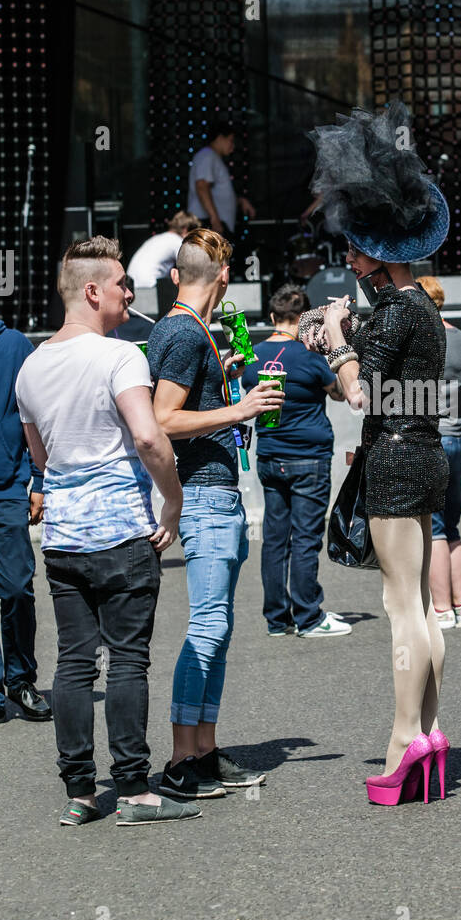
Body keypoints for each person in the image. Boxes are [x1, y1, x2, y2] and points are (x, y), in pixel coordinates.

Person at [14, 237, 198, 827]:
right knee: (127, 661)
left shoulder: (31, 365)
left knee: (72, 664)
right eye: (121, 283)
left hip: (64, 538)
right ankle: (135, 789)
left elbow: (41, 457)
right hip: (122, 531)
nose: (130, 291)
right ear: (92, 291)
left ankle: (80, 792)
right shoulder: (122, 356)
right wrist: (172, 502)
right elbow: (148, 438)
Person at [303, 101, 451, 806]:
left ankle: (403, 742)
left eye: (359, 249)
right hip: (426, 455)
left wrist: (338, 346)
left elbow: (364, 394)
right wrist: (342, 332)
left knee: (402, 609)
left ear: (383, 253)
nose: (352, 258)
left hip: (392, 458)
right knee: (422, 604)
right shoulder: (422, 308)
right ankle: (430, 731)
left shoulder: (393, 311)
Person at [146, 228, 285, 802]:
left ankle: (202, 751)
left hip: (215, 493)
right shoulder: (181, 330)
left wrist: (223, 379)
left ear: (181, 274)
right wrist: (241, 407)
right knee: (207, 627)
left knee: (218, 629)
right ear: (224, 277)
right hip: (203, 495)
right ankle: (181, 760)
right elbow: (161, 419)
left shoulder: (192, 329)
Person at [242, 282, 351, 638]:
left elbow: (243, 385)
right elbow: (338, 394)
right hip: (308, 458)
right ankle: (309, 616)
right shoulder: (310, 356)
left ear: (272, 316)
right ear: (304, 317)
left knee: (275, 539)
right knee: (305, 538)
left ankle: (277, 619)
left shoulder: (254, 354)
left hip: (270, 456)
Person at [0, 281, 50, 727]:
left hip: (3, 492)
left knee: (17, 588)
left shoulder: (13, 345)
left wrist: (38, 479)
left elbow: (35, 416)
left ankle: (21, 680)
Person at [416, 276, 461, 632]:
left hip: (434, 438)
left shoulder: (427, 340)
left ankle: (441, 608)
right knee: (451, 526)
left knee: (435, 529)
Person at [187, 119, 256, 238]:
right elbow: (202, 186)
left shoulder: (212, 157)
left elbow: (217, 192)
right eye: (231, 141)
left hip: (214, 224)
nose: (233, 146)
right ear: (220, 138)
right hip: (208, 224)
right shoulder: (207, 156)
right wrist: (215, 220)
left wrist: (239, 201)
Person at [126, 212, 200, 289]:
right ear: (185, 230)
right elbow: (192, 267)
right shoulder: (177, 241)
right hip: (149, 286)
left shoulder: (157, 238)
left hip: (132, 284)